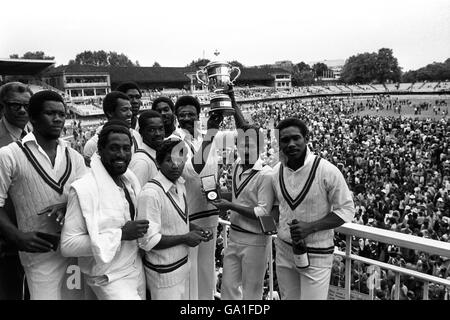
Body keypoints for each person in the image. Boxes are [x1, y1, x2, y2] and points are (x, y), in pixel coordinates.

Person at [0, 90, 87, 300]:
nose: (58, 118)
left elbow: (88, 197)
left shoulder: (74, 156)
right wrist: (16, 236)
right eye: (50, 113)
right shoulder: (9, 155)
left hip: (72, 251)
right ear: (33, 116)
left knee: (73, 298)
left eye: (62, 114)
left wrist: (68, 205)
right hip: (38, 256)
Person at [61, 120, 148, 300]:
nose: (121, 154)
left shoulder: (129, 181)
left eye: (126, 148)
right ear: (100, 150)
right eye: (114, 148)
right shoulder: (84, 189)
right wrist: (120, 234)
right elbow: (68, 245)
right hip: (109, 277)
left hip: (135, 267)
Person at [271, 117, 355, 300]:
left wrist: (312, 226)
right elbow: (276, 206)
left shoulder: (327, 170)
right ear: (279, 143)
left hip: (317, 254)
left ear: (306, 138)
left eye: (296, 138)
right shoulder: (275, 171)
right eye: (285, 140)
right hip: (284, 250)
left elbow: (347, 209)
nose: (291, 144)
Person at [137, 139, 212, 299]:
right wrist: (185, 238)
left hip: (182, 266)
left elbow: (174, 220)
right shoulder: (151, 193)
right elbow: (147, 241)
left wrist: (193, 228)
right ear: (158, 163)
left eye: (179, 160)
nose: (175, 165)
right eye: (169, 160)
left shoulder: (180, 184)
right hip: (163, 274)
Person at [212, 125, 275, 300]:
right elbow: (237, 196)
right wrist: (217, 194)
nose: (245, 149)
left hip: (255, 240)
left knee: (251, 292)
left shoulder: (265, 174)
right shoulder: (237, 165)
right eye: (241, 144)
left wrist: (230, 206)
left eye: (250, 145)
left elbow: (262, 211)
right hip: (235, 236)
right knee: (228, 288)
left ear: (260, 146)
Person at [0, 81, 33, 299]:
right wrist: (13, 234)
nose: (22, 110)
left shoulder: (32, 133)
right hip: (7, 241)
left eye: (27, 105)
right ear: (3, 105)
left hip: (32, 235)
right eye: (15, 105)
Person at [83, 91, 142, 166]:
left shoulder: (136, 135)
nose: (130, 113)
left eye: (130, 109)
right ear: (110, 113)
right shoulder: (93, 144)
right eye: (124, 110)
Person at [128, 110, 164, 187]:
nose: (158, 133)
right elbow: (136, 195)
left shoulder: (154, 155)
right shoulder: (141, 162)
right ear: (141, 132)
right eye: (152, 130)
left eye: (160, 129)